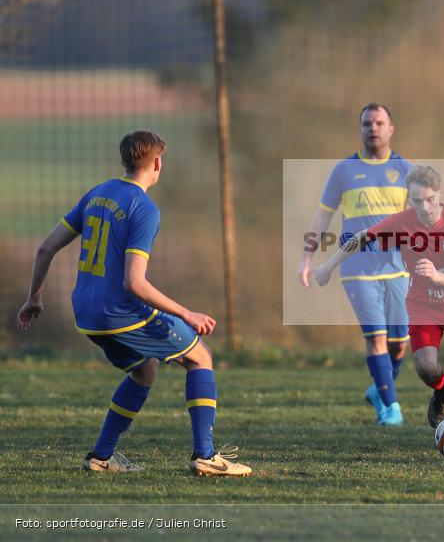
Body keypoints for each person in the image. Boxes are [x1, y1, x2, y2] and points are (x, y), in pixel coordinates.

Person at [16, 130, 251, 475]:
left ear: (125, 160)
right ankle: (206, 455)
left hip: (85, 313)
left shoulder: (97, 194)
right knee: (200, 356)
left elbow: (46, 247)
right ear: (157, 164)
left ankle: (101, 457)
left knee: (144, 370)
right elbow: (134, 283)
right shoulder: (144, 208)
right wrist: (186, 313)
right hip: (119, 312)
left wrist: (34, 297)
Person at [312, 166, 444, 449]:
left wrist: (435, 275)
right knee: (426, 366)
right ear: (409, 198)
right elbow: (363, 236)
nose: (424, 207)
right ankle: (442, 388)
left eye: (429, 199)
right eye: (416, 200)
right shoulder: (402, 222)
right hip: (423, 305)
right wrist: (329, 266)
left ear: (440, 194)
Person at [298, 103, 413, 426]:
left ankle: (379, 389)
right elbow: (323, 215)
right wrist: (307, 257)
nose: (372, 128)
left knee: (399, 345)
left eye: (379, 123)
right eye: (366, 124)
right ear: (360, 129)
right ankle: (391, 407)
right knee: (375, 337)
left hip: (397, 267)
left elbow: (423, 217)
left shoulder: (406, 170)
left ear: (391, 129)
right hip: (357, 267)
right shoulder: (344, 171)